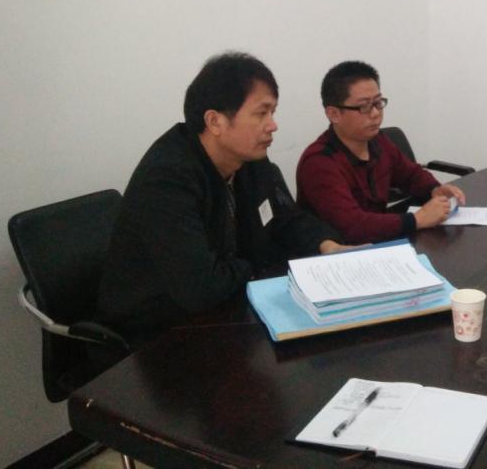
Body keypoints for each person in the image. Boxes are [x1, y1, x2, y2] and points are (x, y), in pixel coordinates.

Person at [97, 52, 348, 344]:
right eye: (261, 113)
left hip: (225, 314)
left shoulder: (249, 159)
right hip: (156, 337)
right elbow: (201, 288)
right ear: (215, 121)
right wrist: (257, 261)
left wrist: (326, 244)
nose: (273, 125)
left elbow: (284, 219)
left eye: (273, 112)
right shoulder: (167, 180)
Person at [296, 60, 465, 243]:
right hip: (342, 252)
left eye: (378, 103)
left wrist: (434, 189)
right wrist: (417, 219)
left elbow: (410, 174)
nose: (376, 113)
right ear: (334, 114)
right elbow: (352, 227)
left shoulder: (377, 140)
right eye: (364, 107)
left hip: (379, 241)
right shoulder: (319, 163)